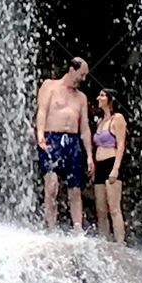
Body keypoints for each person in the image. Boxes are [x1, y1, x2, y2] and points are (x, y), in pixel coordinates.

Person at [35, 58, 94, 230]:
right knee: (51, 184)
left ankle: (77, 229)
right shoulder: (50, 86)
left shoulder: (81, 98)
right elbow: (42, 111)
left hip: (73, 141)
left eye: (85, 76)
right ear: (71, 69)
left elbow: (84, 128)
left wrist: (90, 156)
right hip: (52, 137)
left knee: (75, 188)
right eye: (81, 74)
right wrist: (40, 134)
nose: (82, 79)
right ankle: (52, 226)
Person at [93, 89, 127, 243]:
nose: (98, 98)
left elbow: (121, 145)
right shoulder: (100, 121)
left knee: (114, 208)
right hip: (99, 165)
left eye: (102, 95)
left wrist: (116, 168)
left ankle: (120, 242)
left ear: (110, 99)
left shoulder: (117, 118)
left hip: (111, 162)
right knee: (101, 209)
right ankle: (103, 241)